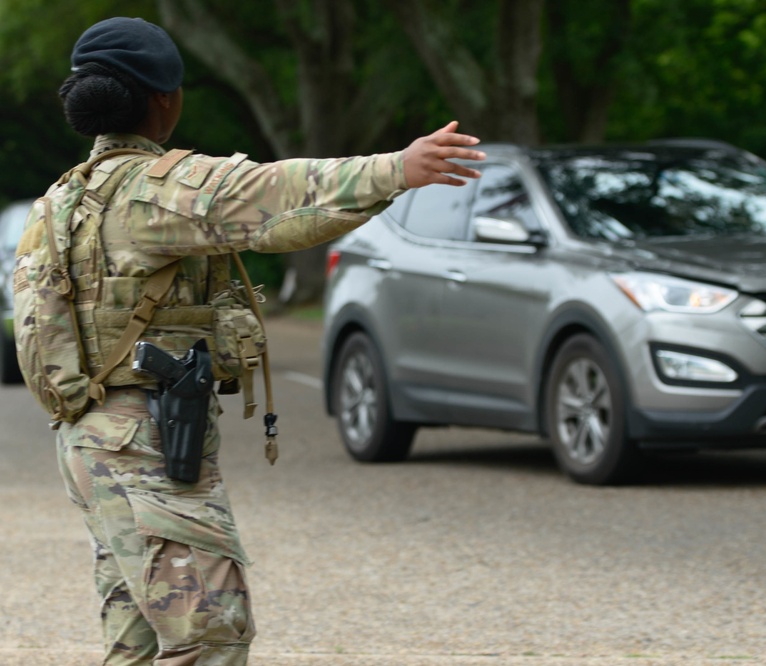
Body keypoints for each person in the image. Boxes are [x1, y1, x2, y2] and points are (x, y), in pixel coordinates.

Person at [46, 16, 484, 665]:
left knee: (137, 644)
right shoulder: (158, 189)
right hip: (142, 450)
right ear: (164, 98)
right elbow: (274, 198)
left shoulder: (63, 199)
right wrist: (398, 167)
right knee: (211, 635)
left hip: (88, 443)